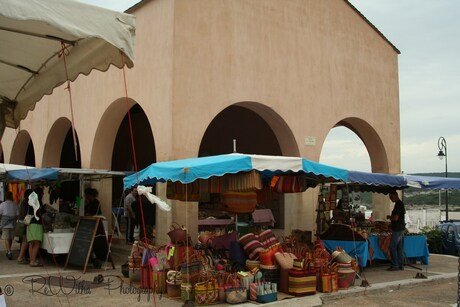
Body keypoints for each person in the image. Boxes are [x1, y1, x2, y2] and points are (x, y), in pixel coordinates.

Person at [386, 190, 406, 271]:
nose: (390, 199)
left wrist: (389, 217)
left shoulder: (398, 205)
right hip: (400, 229)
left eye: (391, 197)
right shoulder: (399, 204)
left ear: (395, 195)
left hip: (397, 229)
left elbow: (395, 218)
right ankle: (400, 264)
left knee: (392, 247)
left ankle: (395, 265)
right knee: (399, 248)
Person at [27, 187, 46, 267]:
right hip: (36, 224)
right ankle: (33, 261)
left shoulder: (31, 201)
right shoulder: (38, 202)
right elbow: (39, 213)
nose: (43, 194)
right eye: (42, 192)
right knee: (37, 243)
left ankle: (31, 260)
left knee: (31, 243)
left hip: (30, 224)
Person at [0, 191, 19, 260]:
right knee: (11, 238)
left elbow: (0, 213)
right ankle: (9, 250)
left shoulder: (2, 204)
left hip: (5, 224)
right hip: (13, 224)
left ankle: (8, 251)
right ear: (11, 196)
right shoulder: (15, 204)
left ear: (5, 197)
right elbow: (17, 215)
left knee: (6, 238)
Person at [17, 189, 33, 264]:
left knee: (24, 241)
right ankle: (20, 257)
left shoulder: (24, 201)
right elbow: (24, 214)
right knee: (25, 241)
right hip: (25, 223)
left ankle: (22, 257)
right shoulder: (25, 202)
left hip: (24, 223)